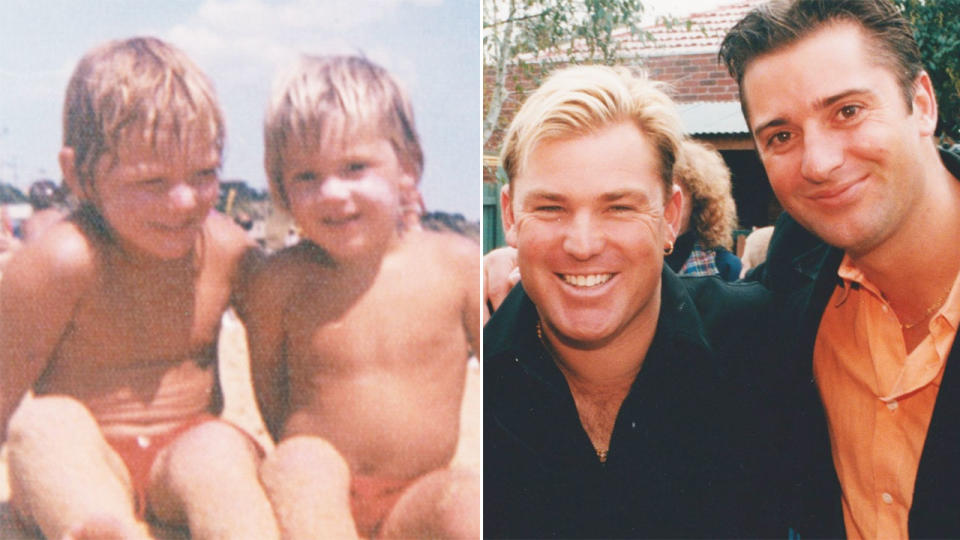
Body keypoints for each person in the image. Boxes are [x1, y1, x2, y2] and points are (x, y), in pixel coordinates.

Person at [0, 37, 278, 540]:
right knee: (44, 425)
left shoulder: (228, 252)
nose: (183, 201)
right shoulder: (61, 263)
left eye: (204, 174)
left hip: (185, 460)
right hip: (91, 458)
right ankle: (102, 530)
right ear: (77, 174)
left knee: (219, 450)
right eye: (151, 182)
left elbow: (300, 333)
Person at [484, 64, 778, 538]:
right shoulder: (462, 385)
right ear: (511, 216)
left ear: (670, 216)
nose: (582, 243)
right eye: (550, 207)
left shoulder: (764, 346)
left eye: (619, 207)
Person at [719, 0, 960, 536]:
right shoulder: (794, 267)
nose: (819, 163)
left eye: (847, 111)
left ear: (921, 103)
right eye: (781, 136)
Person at [246, 55, 481, 539]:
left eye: (355, 167)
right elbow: (270, 391)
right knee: (299, 462)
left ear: (407, 167)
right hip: (315, 495)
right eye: (306, 176)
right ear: (281, 187)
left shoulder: (455, 267)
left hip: (416, 494)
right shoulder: (279, 281)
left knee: (467, 501)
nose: (332, 192)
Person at [665, 138, 742, 280]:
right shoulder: (632, 262)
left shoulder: (723, 267)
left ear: (698, 201)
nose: (665, 207)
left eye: (674, 197)